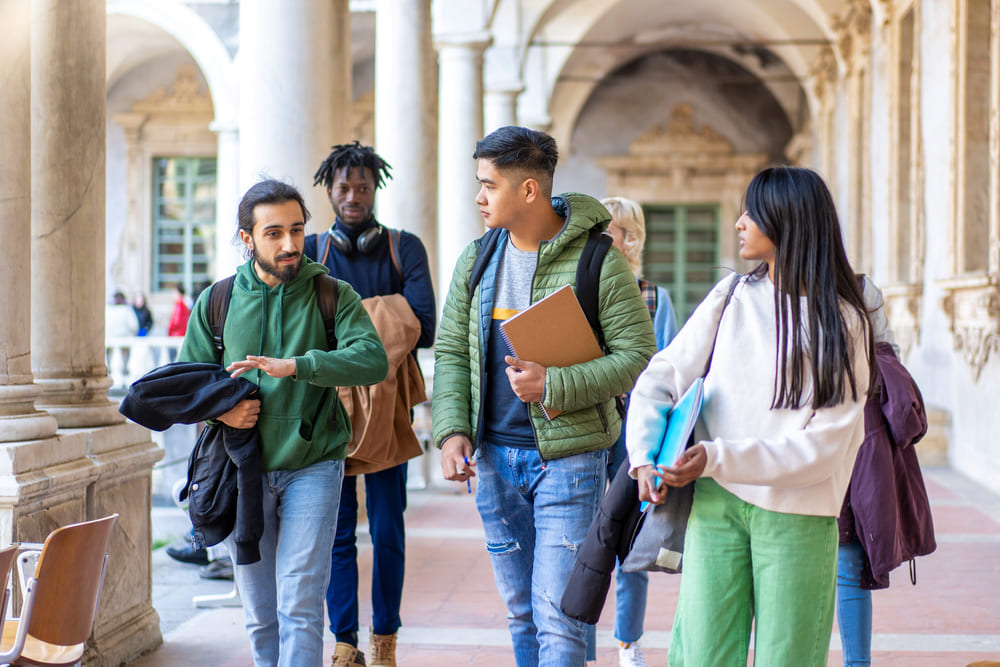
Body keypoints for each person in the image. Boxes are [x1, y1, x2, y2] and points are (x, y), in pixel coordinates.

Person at [627, 166, 876, 666]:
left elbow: (824, 447)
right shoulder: (731, 295)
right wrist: (644, 456)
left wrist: (716, 457)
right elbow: (662, 375)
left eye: (752, 212)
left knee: (788, 658)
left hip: (798, 512)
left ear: (787, 221)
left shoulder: (844, 321)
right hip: (716, 503)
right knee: (702, 655)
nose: (739, 222)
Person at [432, 125, 657, 666]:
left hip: (571, 461)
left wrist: (552, 384)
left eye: (489, 185)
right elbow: (450, 353)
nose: (479, 197)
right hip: (493, 461)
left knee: (559, 616)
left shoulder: (597, 262)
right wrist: (452, 430)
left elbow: (640, 358)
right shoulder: (477, 260)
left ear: (528, 190)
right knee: (521, 613)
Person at [178, 179, 389, 667]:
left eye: (296, 230)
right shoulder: (218, 301)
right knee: (259, 610)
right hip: (239, 471)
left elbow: (373, 360)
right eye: (273, 233)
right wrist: (223, 411)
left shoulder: (331, 293)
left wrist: (300, 365)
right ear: (246, 238)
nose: (290, 244)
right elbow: (188, 385)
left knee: (299, 599)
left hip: (312, 463)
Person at [305, 141, 436, 667]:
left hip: (390, 411)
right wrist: (387, 317)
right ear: (330, 191)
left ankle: (385, 642)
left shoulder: (406, 248)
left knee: (388, 529)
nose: (353, 195)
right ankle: (344, 642)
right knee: (336, 530)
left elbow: (424, 323)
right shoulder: (314, 250)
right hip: (328, 412)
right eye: (343, 187)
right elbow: (301, 326)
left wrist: (344, 325)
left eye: (362, 186)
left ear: (374, 188)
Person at [583, 197, 678, 667]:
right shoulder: (578, 293)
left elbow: (675, 372)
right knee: (580, 536)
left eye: (610, 230)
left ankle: (627, 642)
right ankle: (578, 641)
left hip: (633, 435)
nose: (600, 237)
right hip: (584, 426)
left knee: (631, 537)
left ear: (630, 239)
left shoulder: (655, 299)